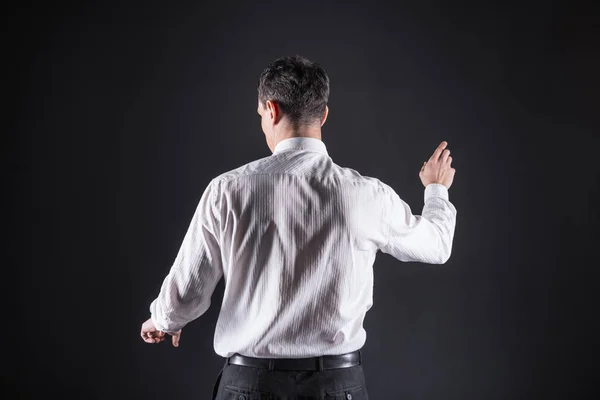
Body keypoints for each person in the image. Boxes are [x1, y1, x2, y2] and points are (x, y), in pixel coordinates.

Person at [140, 55, 457, 399]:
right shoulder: (367, 194)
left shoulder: (228, 189)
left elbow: (188, 289)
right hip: (337, 387)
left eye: (261, 115)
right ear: (323, 115)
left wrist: (163, 321)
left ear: (271, 110)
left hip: (250, 386)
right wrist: (436, 189)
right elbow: (437, 245)